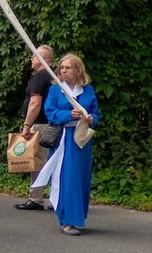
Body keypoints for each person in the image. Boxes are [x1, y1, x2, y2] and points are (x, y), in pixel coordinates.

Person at [31, 54, 101, 236]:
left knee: (80, 179)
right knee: (66, 179)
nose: (63, 71)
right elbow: (50, 113)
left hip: (81, 140)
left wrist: (92, 118)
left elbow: (96, 112)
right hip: (63, 139)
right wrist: (69, 115)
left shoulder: (87, 90)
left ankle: (78, 218)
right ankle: (66, 221)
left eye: (67, 68)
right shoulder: (56, 90)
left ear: (78, 70)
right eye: (61, 68)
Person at [15, 45, 56, 211]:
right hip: (54, 124)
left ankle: (36, 199)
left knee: (37, 162)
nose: (31, 59)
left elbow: (35, 103)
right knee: (53, 162)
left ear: (43, 60)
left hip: (40, 124)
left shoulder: (40, 77)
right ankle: (55, 199)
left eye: (33, 56)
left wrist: (27, 126)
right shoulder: (55, 76)